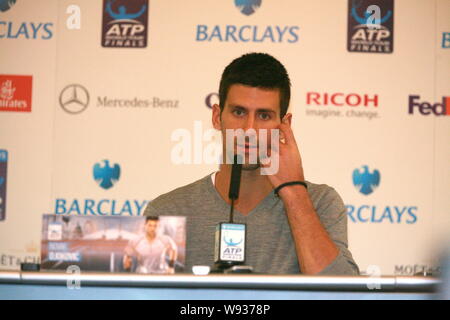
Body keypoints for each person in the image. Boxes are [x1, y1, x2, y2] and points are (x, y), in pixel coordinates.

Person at [144, 53, 359, 275]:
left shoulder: (320, 203)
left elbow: (344, 296)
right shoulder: (168, 211)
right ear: (217, 117)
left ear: (285, 124)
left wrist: (294, 192)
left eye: (264, 116)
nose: (249, 130)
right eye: (239, 112)